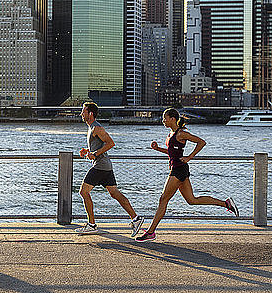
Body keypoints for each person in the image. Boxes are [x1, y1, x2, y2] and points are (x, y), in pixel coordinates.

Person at [135, 108, 239, 242]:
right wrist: (158, 149)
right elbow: (172, 153)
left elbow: (201, 142)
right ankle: (226, 204)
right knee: (192, 200)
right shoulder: (171, 133)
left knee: (163, 200)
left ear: (172, 119)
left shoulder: (182, 133)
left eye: (164, 118)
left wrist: (189, 157)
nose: (163, 121)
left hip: (178, 170)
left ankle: (151, 232)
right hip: (179, 169)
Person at [75, 102, 144, 236]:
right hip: (105, 166)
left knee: (83, 192)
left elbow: (111, 143)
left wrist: (94, 154)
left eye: (83, 111)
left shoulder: (96, 128)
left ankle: (92, 225)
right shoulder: (91, 128)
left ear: (90, 114)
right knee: (114, 193)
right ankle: (136, 219)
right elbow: (100, 146)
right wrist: (88, 151)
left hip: (100, 166)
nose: (81, 114)